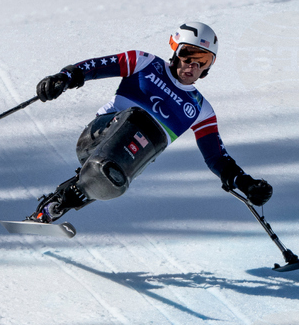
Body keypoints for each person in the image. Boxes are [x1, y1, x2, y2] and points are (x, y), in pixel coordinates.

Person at [25, 21, 272, 224]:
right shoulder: (144, 63)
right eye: (188, 55)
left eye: (203, 60)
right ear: (176, 51)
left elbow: (217, 158)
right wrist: (65, 77)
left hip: (126, 160)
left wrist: (246, 183)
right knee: (141, 120)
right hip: (97, 137)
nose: (193, 65)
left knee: (114, 181)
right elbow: (96, 68)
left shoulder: (201, 109)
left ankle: (53, 208)